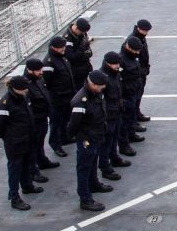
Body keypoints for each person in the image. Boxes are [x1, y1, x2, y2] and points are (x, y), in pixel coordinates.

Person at [0, 75, 42, 211]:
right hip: (15, 142)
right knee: (15, 169)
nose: (26, 91)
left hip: (27, 139)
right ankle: (14, 197)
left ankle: (27, 186)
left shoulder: (22, 97)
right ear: (15, 88)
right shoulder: (4, 103)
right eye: (23, 89)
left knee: (26, 165)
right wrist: (10, 137)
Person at [67, 70, 112, 212]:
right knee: (84, 168)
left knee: (93, 163)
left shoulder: (95, 93)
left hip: (97, 134)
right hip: (87, 138)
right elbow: (73, 124)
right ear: (91, 83)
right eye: (99, 86)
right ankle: (85, 198)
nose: (102, 89)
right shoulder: (81, 100)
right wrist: (78, 138)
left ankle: (94, 184)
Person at [23, 59, 59, 185]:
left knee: (39, 142)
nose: (41, 72)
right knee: (32, 146)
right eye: (38, 70)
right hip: (34, 121)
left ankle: (42, 161)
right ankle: (33, 171)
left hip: (42, 117)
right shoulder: (26, 85)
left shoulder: (38, 79)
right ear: (29, 70)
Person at [42, 36, 75, 157]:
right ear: (54, 48)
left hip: (67, 96)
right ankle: (55, 144)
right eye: (61, 48)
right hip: (57, 99)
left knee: (65, 119)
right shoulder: (48, 62)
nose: (64, 49)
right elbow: (47, 83)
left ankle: (64, 137)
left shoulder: (62, 57)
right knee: (55, 123)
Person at [97, 51, 126, 181]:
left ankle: (114, 157)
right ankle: (105, 167)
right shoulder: (102, 77)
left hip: (116, 111)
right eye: (115, 64)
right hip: (108, 115)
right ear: (108, 63)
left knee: (114, 138)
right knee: (106, 143)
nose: (117, 66)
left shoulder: (115, 74)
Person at [118, 36, 145, 157]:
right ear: (129, 47)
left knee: (131, 116)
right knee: (124, 121)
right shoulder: (121, 60)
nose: (138, 53)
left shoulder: (132, 57)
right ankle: (124, 145)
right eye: (136, 51)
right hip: (126, 94)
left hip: (133, 91)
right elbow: (118, 80)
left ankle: (131, 133)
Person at [129, 19, 152, 126]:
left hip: (141, 72)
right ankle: (134, 121)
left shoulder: (140, 38)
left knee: (139, 95)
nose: (146, 33)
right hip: (136, 74)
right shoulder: (133, 40)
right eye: (145, 31)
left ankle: (137, 114)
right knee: (135, 97)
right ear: (138, 29)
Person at [63, 17, 93, 90]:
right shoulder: (67, 39)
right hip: (76, 72)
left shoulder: (82, 32)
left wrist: (88, 51)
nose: (83, 33)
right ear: (76, 28)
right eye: (82, 32)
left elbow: (87, 47)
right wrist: (82, 46)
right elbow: (71, 57)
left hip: (85, 67)